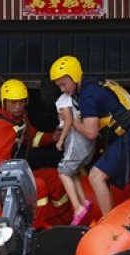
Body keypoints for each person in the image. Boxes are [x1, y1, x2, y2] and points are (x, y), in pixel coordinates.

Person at [50, 55, 130, 216]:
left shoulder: (88, 96)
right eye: (58, 86)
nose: (62, 89)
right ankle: (109, 217)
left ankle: (107, 223)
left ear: (74, 76)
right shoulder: (94, 85)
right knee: (102, 177)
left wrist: (71, 121)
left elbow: (91, 133)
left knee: (96, 176)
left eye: (63, 83)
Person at [0, 79, 72, 228]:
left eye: (21, 102)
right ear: (4, 102)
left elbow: (31, 138)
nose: (18, 107)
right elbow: (0, 163)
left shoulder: (19, 118)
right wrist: (23, 177)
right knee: (38, 186)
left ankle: (63, 223)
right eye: (13, 103)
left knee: (54, 178)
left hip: (13, 175)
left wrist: (52, 137)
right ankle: (35, 230)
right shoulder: (2, 125)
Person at [54, 92, 95, 225]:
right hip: (87, 143)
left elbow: (68, 121)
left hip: (76, 139)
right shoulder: (77, 98)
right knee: (73, 172)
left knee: (63, 171)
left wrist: (60, 141)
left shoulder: (62, 100)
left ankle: (77, 208)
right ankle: (84, 201)